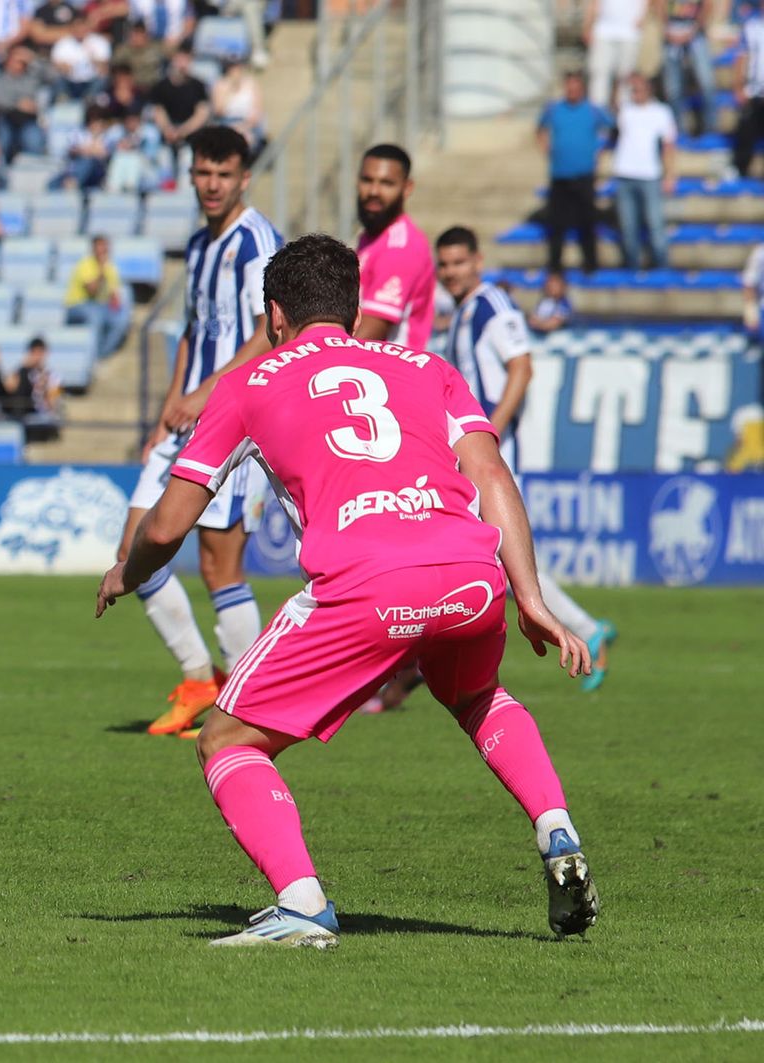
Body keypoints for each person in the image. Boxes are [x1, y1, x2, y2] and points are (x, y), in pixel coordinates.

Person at [97, 234, 599, 949]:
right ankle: (557, 828)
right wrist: (532, 598)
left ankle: (301, 903)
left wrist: (130, 571)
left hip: (364, 583)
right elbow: (492, 477)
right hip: (469, 574)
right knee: (478, 695)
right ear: (356, 309)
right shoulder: (427, 365)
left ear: (274, 316)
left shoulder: (249, 383)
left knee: (227, 738)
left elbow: (172, 521)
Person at [119, 126, 281, 738]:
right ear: (191, 175)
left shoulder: (256, 243)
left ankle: (254, 701)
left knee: (219, 569)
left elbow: (271, 331)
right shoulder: (198, 243)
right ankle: (199, 677)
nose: (211, 184)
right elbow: (193, 328)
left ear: (243, 177)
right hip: (187, 415)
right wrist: (170, 405)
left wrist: (203, 393)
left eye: (224, 174)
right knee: (132, 552)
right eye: (202, 173)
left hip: (237, 418)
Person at [435, 227, 617, 691]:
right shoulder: (465, 312)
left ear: (478, 261)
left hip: (492, 455)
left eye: (459, 262)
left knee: (500, 552)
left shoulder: (491, 304)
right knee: (496, 554)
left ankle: (584, 627)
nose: (451, 272)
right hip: (477, 453)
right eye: (445, 265)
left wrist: (489, 430)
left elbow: (522, 366)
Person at [355, 144, 435, 348]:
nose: (373, 191)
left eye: (386, 183)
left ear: (407, 188)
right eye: (367, 180)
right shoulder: (371, 238)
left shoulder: (402, 247)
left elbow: (371, 330)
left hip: (391, 375)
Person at [537, 72, 613, 273]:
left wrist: (601, 151)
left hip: (584, 175)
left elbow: (613, 129)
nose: (572, 91)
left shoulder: (592, 110)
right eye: (569, 87)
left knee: (587, 221)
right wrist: (546, 148)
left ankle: (591, 264)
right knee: (557, 224)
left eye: (575, 87)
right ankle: (555, 267)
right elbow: (540, 129)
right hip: (560, 175)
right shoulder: (554, 109)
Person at [611, 73, 677, 270]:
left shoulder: (661, 112)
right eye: (633, 89)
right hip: (625, 174)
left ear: (649, 89)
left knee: (656, 225)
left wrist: (670, 174)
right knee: (628, 227)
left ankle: (662, 267)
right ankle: (632, 268)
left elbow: (668, 146)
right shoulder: (626, 110)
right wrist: (621, 81)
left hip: (650, 175)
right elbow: (613, 105)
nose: (636, 93)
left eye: (639, 89)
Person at [64, 234, 130, 360]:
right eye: (100, 246)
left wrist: (116, 303)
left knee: (120, 320)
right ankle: (91, 356)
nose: (103, 250)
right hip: (78, 305)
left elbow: (114, 294)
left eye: (105, 246)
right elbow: (92, 291)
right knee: (95, 317)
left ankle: (101, 355)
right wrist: (101, 270)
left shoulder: (111, 268)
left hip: (100, 306)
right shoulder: (85, 265)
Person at [149, 49, 211, 179]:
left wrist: (182, 131)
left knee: (187, 158)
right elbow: (158, 111)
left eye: (186, 60)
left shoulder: (198, 86)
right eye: (180, 60)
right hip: (166, 136)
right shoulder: (161, 86)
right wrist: (167, 129)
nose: (183, 64)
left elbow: (202, 114)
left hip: (190, 136)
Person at [662, 0, 716, 135]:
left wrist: (693, 29)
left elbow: (708, 5)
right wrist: (665, 28)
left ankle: (709, 128)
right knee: (673, 88)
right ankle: (679, 130)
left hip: (695, 37)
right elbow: (659, 4)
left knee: (707, 84)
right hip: (672, 37)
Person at [584, 0, 646, 108]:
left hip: (630, 32)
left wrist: (643, 16)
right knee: (599, 74)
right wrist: (588, 24)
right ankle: (598, 113)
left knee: (626, 77)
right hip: (603, 31)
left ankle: (625, 112)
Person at [0, 46, 48, 161]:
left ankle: (32, 174)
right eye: (15, 61)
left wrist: (33, 59)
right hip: (7, 118)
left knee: (34, 142)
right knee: (3, 143)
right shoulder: (0, 78)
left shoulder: (31, 77)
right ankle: (2, 174)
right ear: (8, 62)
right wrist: (17, 105)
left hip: (28, 120)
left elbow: (52, 76)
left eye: (22, 62)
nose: (18, 65)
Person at [2, 334, 61, 440]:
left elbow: (53, 404)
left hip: (42, 416)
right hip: (23, 413)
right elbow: (9, 387)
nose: (37, 357)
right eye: (34, 352)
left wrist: (44, 386)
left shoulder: (53, 376)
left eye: (40, 353)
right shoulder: (23, 372)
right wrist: (23, 367)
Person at [731, 7, 764, 179]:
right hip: (754, 90)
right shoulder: (752, 26)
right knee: (746, 132)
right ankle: (740, 168)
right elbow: (741, 56)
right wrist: (738, 86)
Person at [211, 57, 264, 157]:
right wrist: (230, 89)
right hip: (226, 124)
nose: (236, 71)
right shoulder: (220, 85)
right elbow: (219, 111)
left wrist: (243, 127)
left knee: (246, 140)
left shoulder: (251, 84)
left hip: (248, 125)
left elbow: (257, 113)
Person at [50, 15, 110, 100]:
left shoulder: (99, 42)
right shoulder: (62, 43)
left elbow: (103, 65)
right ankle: (63, 102)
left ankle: (90, 101)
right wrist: (65, 67)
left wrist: (92, 57)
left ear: (88, 27)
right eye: (77, 27)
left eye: (82, 26)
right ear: (72, 28)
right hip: (70, 81)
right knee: (55, 78)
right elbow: (57, 64)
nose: (80, 30)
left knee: (103, 78)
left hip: (91, 81)